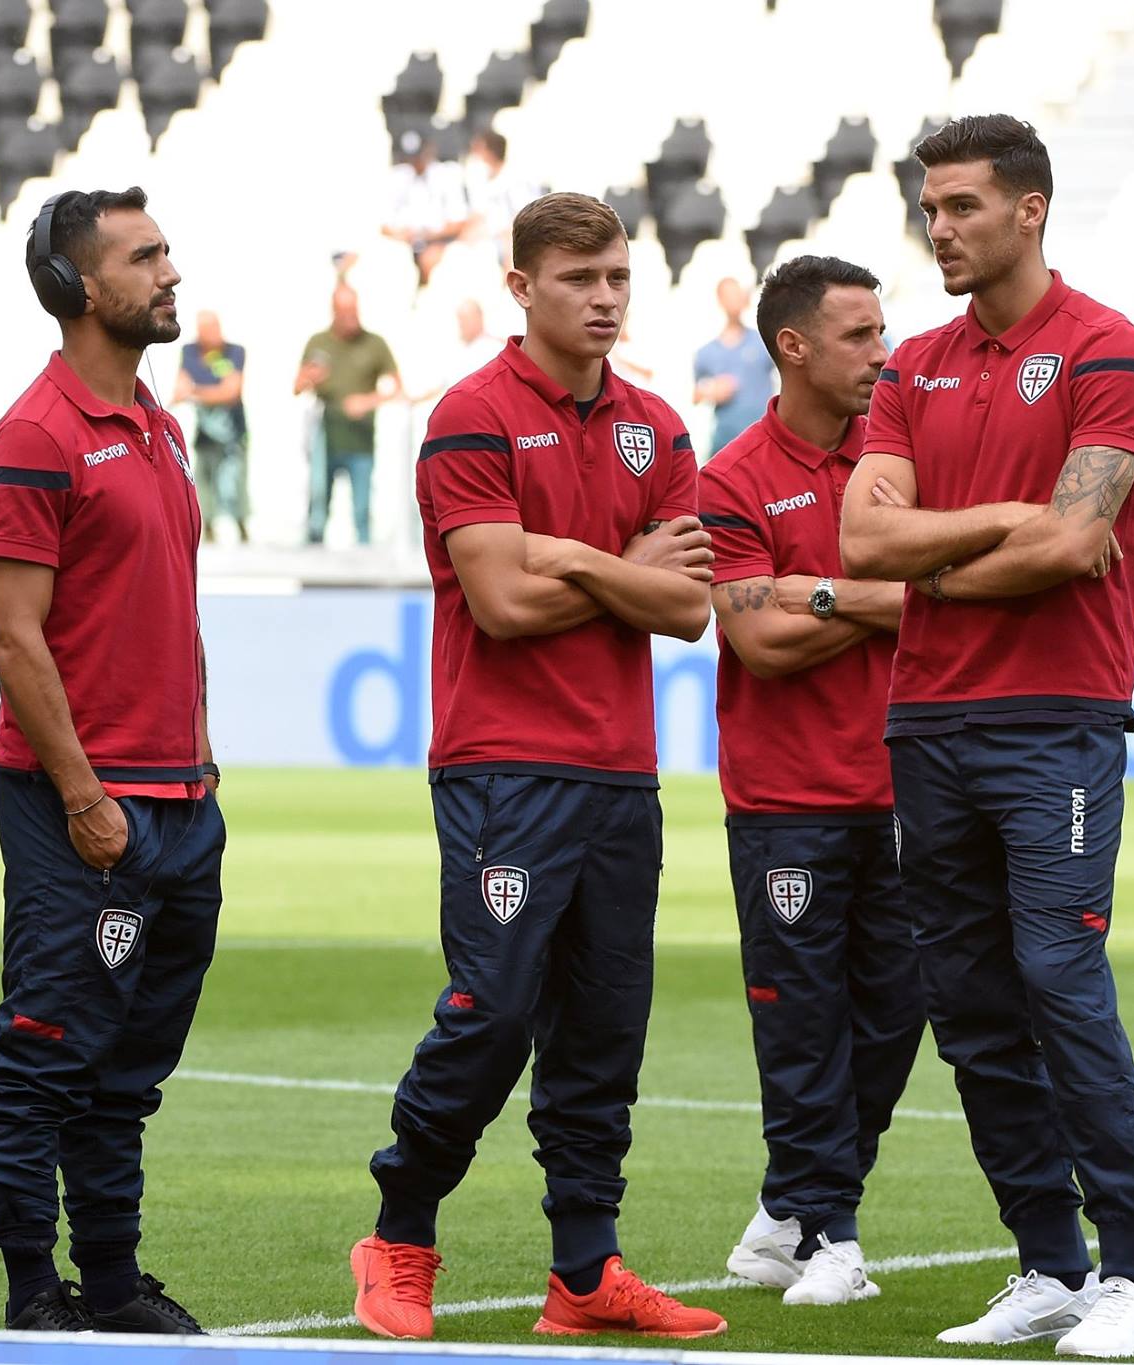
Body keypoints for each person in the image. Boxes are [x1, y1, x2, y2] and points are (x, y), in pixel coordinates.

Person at [349, 192, 725, 1343]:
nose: (604, 298)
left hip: (619, 772)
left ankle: (584, 1271)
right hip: (502, 768)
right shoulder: (470, 416)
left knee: (604, 1030)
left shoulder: (657, 426)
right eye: (578, 279)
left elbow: (687, 610)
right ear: (520, 287)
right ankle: (398, 1235)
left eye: (617, 277)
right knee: (493, 1009)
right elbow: (503, 605)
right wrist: (618, 563)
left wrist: (573, 559)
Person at [837, 114, 1134, 1359]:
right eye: (929, 208)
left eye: (962, 207)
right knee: (970, 1002)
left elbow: (1074, 539)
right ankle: (1049, 1264)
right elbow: (860, 541)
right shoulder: (912, 365)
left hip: (1053, 722)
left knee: (1058, 979)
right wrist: (998, 527)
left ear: (1028, 210)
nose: (938, 228)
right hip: (926, 720)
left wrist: (937, 561)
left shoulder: (1108, 349)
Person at [0, 186, 221, 1336]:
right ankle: (33, 1292)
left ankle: (113, 1288)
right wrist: (83, 797)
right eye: (144, 257)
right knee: (43, 1057)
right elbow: (14, 637)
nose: (171, 273)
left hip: (182, 806)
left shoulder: (159, 423)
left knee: (126, 1072)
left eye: (166, 251)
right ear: (77, 287)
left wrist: (201, 775)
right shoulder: (34, 435)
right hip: (86, 807)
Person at [702, 255, 922, 1308]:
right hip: (786, 800)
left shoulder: (905, 462)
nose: (882, 352)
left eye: (883, 331)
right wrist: (892, 595)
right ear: (792, 347)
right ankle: (830, 1233)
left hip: (906, 790)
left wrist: (821, 592)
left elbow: (944, 596)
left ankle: (788, 1210)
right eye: (859, 335)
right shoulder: (733, 477)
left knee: (896, 1018)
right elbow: (761, 645)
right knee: (803, 1025)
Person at [294, 284, 401, 545]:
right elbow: (296, 387)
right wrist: (309, 378)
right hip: (325, 437)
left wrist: (368, 401)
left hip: (360, 439)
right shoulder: (318, 342)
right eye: (345, 312)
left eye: (354, 311)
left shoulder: (374, 343)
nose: (352, 318)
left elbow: (397, 388)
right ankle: (313, 553)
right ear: (334, 311)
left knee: (362, 509)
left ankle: (364, 557)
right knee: (318, 502)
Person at [173, 310, 249, 542]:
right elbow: (180, 387)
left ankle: (241, 524)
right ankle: (208, 527)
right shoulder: (190, 351)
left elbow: (231, 392)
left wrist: (196, 392)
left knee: (236, 478)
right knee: (204, 477)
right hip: (205, 430)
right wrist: (204, 393)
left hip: (233, 430)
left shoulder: (234, 351)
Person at [692, 278, 774, 458]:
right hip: (724, 443)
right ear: (720, 299)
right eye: (729, 295)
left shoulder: (764, 342)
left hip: (763, 443)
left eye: (737, 294)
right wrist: (711, 390)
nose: (735, 300)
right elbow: (695, 395)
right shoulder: (706, 352)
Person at [383, 133, 469, 289]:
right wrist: (401, 235)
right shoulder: (398, 175)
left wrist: (429, 236)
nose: (415, 163)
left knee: (433, 263)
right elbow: (384, 224)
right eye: (411, 158)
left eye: (418, 157)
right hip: (403, 243)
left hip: (439, 243)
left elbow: (458, 221)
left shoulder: (447, 174)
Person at [461, 129, 543, 271]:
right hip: (485, 238)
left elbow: (524, 219)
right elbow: (477, 216)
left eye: (478, 150)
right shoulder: (479, 178)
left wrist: (507, 241)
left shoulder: (517, 178)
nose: (474, 154)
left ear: (489, 153)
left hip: (512, 238)